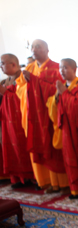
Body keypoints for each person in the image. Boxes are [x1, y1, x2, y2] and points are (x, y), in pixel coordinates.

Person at [16, 39, 69, 193]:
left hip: (49, 114)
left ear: (47, 50)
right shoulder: (29, 68)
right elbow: (20, 90)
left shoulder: (55, 68)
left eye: (38, 46)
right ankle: (45, 181)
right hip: (33, 115)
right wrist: (30, 82)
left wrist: (33, 81)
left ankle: (62, 183)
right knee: (38, 144)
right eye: (32, 47)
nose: (34, 49)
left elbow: (58, 90)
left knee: (53, 147)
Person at [49, 59, 78, 201]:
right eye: (60, 68)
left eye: (66, 68)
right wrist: (58, 97)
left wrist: (64, 95)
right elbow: (54, 107)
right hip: (67, 130)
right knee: (69, 158)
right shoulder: (63, 86)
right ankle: (76, 190)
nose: (62, 71)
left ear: (75, 69)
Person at [0, 54, 34, 188]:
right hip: (7, 121)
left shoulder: (23, 78)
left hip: (22, 120)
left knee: (23, 147)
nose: (1, 67)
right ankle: (18, 178)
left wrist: (6, 93)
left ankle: (31, 177)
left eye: (3, 63)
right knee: (10, 147)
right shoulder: (4, 82)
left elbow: (25, 98)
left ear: (13, 64)